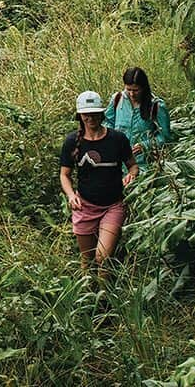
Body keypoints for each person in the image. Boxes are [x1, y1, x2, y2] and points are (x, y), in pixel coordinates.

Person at [59, 89, 137, 272]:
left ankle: (106, 297)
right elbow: (64, 174)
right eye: (86, 115)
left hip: (114, 205)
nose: (91, 119)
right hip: (85, 206)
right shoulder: (72, 141)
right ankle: (90, 295)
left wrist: (131, 174)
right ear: (80, 116)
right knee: (87, 261)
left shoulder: (117, 139)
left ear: (101, 114)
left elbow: (133, 165)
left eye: (94, 114)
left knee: (102, 257)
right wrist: (71, 195)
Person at [105, 67, 172, 171]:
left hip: (144, 165)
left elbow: (165, 137)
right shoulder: (117, 99)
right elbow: (107, 122)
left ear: (143, 87)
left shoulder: (156, 106)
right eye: (128, 89)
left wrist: (145, 145)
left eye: (136, 90)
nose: (132, 94)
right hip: (117, 162)